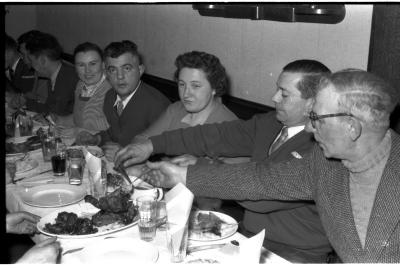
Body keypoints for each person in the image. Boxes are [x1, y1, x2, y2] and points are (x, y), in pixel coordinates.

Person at [140, 69, 400, 263]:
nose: (309, 128)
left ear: (351, 128)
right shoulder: (325, 163)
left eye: (317, 119)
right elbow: (260, 179)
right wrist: (181, 173)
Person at [115, 60, 333, 262]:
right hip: (249, 236)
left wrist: (192, 170)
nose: (274, 98)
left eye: (284, 94)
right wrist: (151, 145)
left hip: (296, 253)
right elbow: (213, 136)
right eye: (277, 89)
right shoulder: (270, 123)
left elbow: (261, 189)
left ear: (311, 103)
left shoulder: (323, 146)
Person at [134, 51, 238, 211]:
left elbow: (238, 178)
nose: (186, 94)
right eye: (182, 84)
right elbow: (142, 140)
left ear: (215, 88)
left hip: (201, 209)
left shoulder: (230, 125)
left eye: (195, 86)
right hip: (163, 196)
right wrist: (143, 162)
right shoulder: (176, 110)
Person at [75, 40, 170, 161]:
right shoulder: (110, 96)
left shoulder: (157, 105)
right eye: (113, 70)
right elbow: (115, 132)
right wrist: (96, 139)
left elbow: (165, 156)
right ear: (106, 74)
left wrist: (126, 153)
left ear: (140, 70)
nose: (120, 76)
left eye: (127, 68)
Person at [55, 42, 112, 139]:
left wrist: (80, 132)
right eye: (81, 65)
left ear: (103, 65)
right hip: (83, 145)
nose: (87, 71)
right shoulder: (81, 85)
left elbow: (116, 133)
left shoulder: (112, 89)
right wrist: (58, 120)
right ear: (75, 68)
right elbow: (81, 118)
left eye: (93, 64)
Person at [25, 32, 79, 119]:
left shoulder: (69, 77)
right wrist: (26, 102)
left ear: (42, 60)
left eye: (31, 61)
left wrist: (28, 102)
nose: (31, 66)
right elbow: (50, 109)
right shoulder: (54, 77)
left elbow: (58, 113)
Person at [17, 30, 51, 113]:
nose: (23, 59)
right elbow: (34, 97)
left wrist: (32, 99)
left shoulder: (56, 72)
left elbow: (53, 109)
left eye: (26, 54)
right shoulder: (37, 71)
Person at [5, 33, 36, 109]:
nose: (24, 57)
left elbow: (24, 97)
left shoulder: (27, 67)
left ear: (10, 52)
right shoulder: (10, 68)